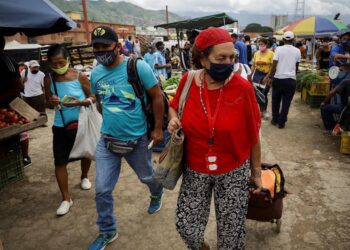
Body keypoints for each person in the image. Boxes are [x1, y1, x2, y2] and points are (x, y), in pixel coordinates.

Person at [168, 27, 262, 250]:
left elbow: (253, 134)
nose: (228, 63)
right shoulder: (187, 81)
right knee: (186, 225)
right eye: (221, 58)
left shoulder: (243, 88)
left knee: (231, 235)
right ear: (202, 57)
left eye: (232, 57)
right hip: (196, 168)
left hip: (233, 170)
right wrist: (173, 120)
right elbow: (173, 108)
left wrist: (256, 172)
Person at [88, 26, 165, 250]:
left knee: (147, 177)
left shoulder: (137, 66)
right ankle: (107, 230)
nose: (100, 51)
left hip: (138, 141)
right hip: (107, 141)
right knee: (102, 189)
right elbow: (101, 101)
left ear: (118, 46)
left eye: (105, 46)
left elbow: (157, 97)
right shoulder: (96, 74)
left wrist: (158, 129)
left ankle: (156, 193)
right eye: (96, 47)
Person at [43, 44, 94, 216]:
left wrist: (79, 102)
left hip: (81, 122)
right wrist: (52, 101)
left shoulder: (79, 76)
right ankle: (66, 199)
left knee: (85, 153)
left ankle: (84, 176)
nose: (58, 67)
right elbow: (47, 101)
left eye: (61, 62)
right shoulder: (49, 78)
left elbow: (93, 97)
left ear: (68, 60)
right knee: (59, 162)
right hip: (60, 125)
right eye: (54, 64)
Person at [0, 36, 31, 167]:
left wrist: (1, 98)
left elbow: (19, 86)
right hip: (3, 107)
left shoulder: (6, 60)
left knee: (18, 131)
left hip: (12, 104)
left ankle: (25, 157)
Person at [266, 31, 301, 129]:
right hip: (291, 80)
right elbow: (296, 66)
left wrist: (270, 77)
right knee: (286, 102)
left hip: (278, 79)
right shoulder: (297, 51)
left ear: (283, 39)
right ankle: (281, 122)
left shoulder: (278, 49)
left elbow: (274, 65)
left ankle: (275, 119)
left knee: (275, 100)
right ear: (293, 40)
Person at [320, 63, 350, 132]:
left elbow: (331, 93)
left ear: (346, 69)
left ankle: (330, 128)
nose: (339, 72)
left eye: (341, 70)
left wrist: (324, 102)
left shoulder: (346, 81)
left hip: (345, 109)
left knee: (324, 107)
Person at [250, 38, 275, 119]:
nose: (260, 46)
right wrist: (250, 75)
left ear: (266, 45)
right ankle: (258, 111)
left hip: (266, 74)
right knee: (256, 94)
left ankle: (264, 111)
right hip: (257, 75)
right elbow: (254, 65)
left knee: (264, 94)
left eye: (262, 44)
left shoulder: (271, 54)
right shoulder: (256, 53)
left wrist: (267, 77)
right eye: (259, 44)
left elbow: (272, 67)